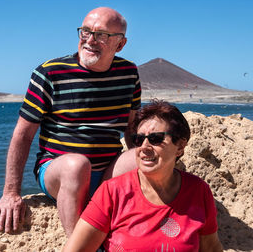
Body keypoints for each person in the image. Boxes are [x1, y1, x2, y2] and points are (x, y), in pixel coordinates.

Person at [0, 7, 141, 236]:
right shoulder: (49, 73)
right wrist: (11, 193)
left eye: (101, 35)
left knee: (142, 155)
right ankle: (78, 244)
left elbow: (131, 129)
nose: (90, 40)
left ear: (120, 44)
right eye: (85, 32)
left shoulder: (129, 74)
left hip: (106, 173)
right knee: (76, 165)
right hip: (60, 171)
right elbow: (23, 135)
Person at [63, 100, 223, 251]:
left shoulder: (198, 192)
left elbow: (211, 248)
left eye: (156, 139)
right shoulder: (113, 193)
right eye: (139, 139)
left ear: (180, 146)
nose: (144, 147)